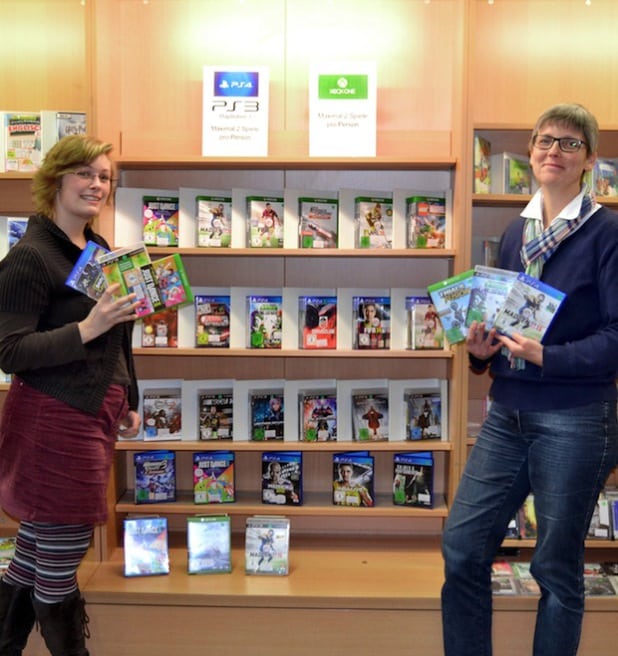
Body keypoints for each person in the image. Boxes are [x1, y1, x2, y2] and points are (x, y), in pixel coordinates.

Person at [441, 103, 618, 656]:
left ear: (589, 158)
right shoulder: (517, 232)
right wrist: (480, 353)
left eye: (569, 143)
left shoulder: (607, 232)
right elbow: (510, 330)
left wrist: (550, 356)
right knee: (463, 547)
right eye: (544, 141)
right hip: (508, 411)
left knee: (556, 567)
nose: (553, 152)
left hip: (577, 419)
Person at [0, 135, 141, 656]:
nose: (97, 184)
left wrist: (129, 397)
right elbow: (10, 351)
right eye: (85, 173)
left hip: (93, 415)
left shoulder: (99, 251)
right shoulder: (30, 257)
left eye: (104, 176)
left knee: (34, 551)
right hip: (51, 423)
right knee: (62, 554)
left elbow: (120, 333)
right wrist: (86, 327)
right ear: (55, 181)